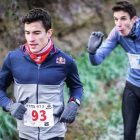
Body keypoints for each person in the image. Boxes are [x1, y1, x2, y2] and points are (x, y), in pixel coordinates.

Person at [0, 8, 83, 140]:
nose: (31, 39)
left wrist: (74, 104)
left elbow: (77, 87)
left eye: (36, 33)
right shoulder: (13, 58)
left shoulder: (65, 61)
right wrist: (9, 105)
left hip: (54, 133)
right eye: (27, 33)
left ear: (49, 32)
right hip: (26, 133)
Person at [87, 1, 140, 140]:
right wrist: (91, 51)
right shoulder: (117, 33)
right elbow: (97, 60)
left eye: (123, 19)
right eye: (116, 19)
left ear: (134, 19)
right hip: (132, 87)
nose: (118, 24)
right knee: (128, 134)